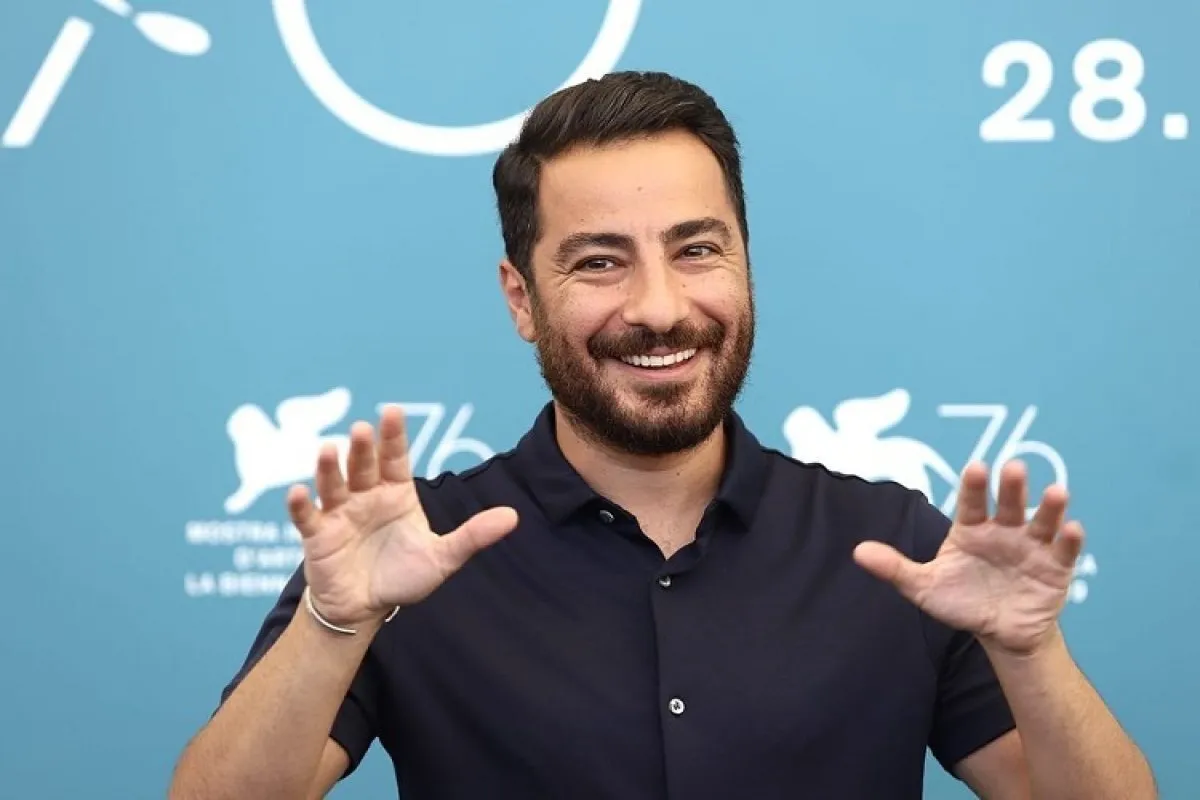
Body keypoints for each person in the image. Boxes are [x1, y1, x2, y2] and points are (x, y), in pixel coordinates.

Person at [168, 71, 1156, 800]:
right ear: (521, 298)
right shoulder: (410, 551)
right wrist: (334, 625)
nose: (659, 307)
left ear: (745, 262)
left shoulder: (895, 544)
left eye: (697, 250)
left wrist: (1032, 652)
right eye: (599, 262)